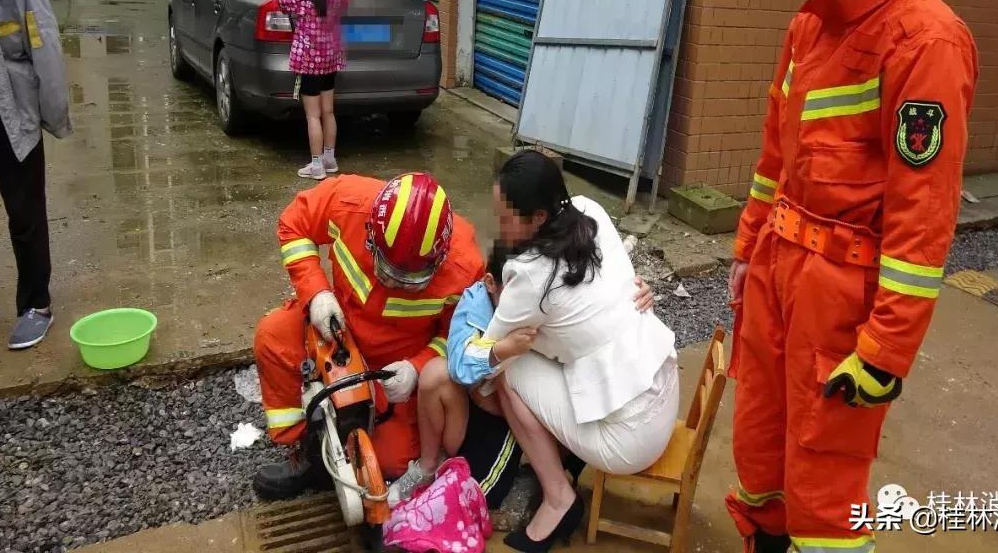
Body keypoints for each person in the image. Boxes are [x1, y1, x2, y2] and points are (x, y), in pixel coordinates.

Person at [729, 0, 979, 551]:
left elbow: (922, 222)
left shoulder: (925, 42)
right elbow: (774, 158)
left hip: (842, 301)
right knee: (760, 449)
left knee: (826, 490)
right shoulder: (810, 24)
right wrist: (749, 253)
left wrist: (883, 353)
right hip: (779, 268)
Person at [483, 150, 680, 553]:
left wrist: (473, 352)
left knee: (506, 369)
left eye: (506, 218)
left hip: (630, 441)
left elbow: (486, 355)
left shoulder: (527, 274)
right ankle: (564, 462)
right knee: (538, 351)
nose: (498, 228)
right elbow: (614, 291)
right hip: (663, 390)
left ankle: (558, 498)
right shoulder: (589, 211)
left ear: (538, 218)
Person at [252, 172, 484, 499]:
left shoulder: (466, 266)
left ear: (440, 255)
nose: (394, 283)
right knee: (274, 336)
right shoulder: (348, 201)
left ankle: (352, 445)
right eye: (388, 269)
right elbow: (293, 223)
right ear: (371, 234)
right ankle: (307, 450)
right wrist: (316, 292)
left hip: (392, 368)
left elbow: (458, 338)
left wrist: (416, 369)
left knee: (394, 462)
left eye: (411, 277)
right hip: (336, 332)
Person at [386, 243, 532, 508]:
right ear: (489, 283)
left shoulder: (538, 309)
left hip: (506, 421)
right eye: (513, 295)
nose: (520, 306)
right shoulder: (475, 301)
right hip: (469, 408)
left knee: (472, 500)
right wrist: (500, 351)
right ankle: (428, 465)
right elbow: (459, 367)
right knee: (435, 373)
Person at [0, 0, 72, 350]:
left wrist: (52, 109)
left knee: (24, 210)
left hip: (8, 109)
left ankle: (36, 303)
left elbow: (43, 37)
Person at [276, 0, 353, 181]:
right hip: (330, 60)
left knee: (313, 115)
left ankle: (317, 165)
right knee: (328, 111)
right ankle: (330, 159)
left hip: (308, 62)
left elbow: (281, 0)